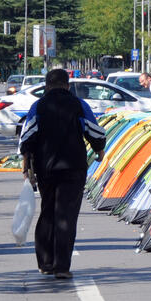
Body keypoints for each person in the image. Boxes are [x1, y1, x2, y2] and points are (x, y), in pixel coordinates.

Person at [19, 68, 106, 279]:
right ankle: (62, 267)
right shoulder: (78, 105)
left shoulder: (37, 106)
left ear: (47, 86)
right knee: (66, 215)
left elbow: (27, 137)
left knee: (47, 211)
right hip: (73, 168)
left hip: (45, 168)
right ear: (67, 85)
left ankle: (45, 263)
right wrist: (99, 149)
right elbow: (94, 131)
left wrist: (26, 166)